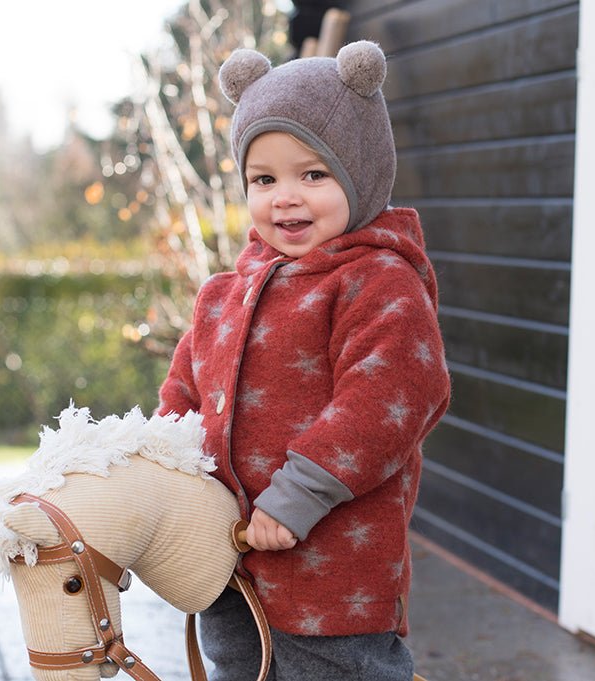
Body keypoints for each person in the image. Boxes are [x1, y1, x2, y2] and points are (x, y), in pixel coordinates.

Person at [157, 40, 450, 681]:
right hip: (228, 560)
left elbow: (387, 401)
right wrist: (160, 490)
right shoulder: (223, 295)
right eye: (264, 179)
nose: (284, 197)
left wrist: (296, 496)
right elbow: (181, 399)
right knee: (239, 665)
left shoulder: (377, 282)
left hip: (334, 571)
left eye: (312, 175)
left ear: (362, 172)